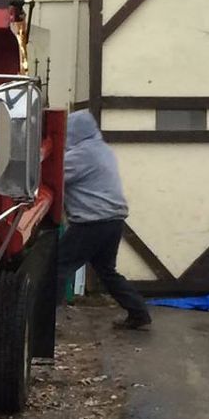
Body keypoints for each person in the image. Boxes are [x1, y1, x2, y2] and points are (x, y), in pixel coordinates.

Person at [60, 109, 151, 329]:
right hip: (113, 220)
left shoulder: (83, 154)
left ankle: (42, 324)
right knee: (106, 270)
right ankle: (139, 313)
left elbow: (54, 172)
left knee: (58, 266)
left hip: (92, 221)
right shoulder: (102, 149)